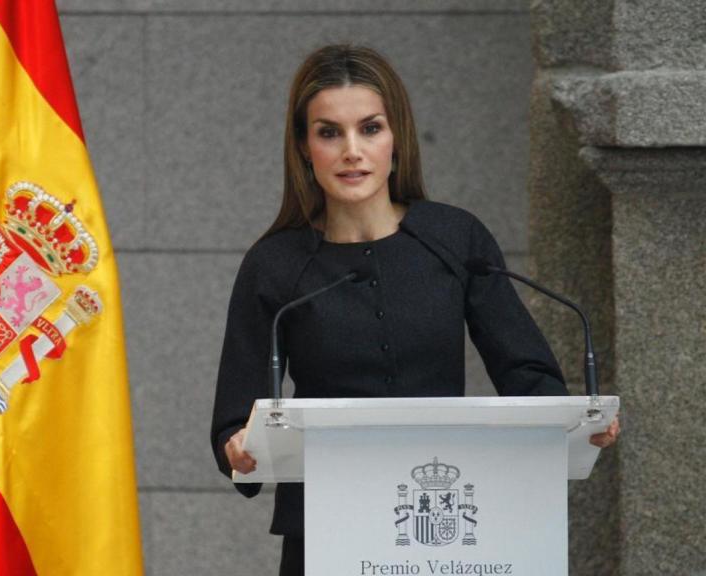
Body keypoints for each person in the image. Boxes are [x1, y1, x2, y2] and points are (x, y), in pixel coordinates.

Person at [209, 44, 619, 576]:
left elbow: (526, 372)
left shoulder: (454, 238)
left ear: (397, 138)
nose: (351, 150)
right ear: (304, 147)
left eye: (370, 128)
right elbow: (232, 422)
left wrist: (575, 421)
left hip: (451, 521)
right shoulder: (275, 264)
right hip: (324, 529)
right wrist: (238, 447)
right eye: (329, 132)